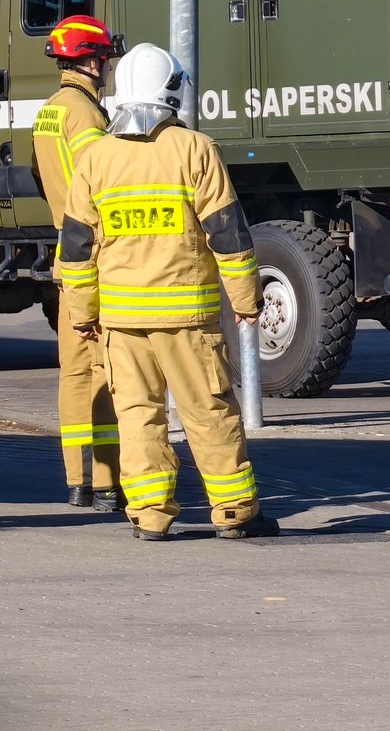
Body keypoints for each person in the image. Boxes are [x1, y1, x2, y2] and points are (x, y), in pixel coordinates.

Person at [58, 42, 277, 539]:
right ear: (171, 91)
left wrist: (82, 314)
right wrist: (246, 301)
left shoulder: (95, 160)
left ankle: (151, 517)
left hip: (120, 324)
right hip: (188, 323)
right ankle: (235, 513)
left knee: (137, 416)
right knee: (209, 412)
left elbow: (75, 250)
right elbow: (227, 234)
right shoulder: (194, 149)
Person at [31, 15, 124, 510]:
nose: (106, 67)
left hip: (66, 257)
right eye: (104, 59)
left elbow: (44, 178)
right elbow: (101, 180)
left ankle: (76, 479)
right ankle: (109, 480)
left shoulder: (48, 110)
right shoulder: (85, 115)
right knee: (104, 369)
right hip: (97, 255)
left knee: (72, 371)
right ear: (91, 60)